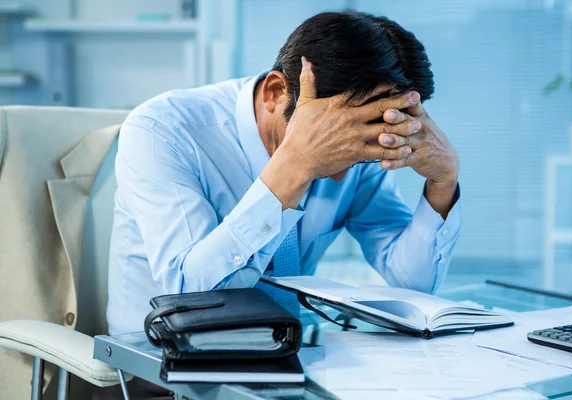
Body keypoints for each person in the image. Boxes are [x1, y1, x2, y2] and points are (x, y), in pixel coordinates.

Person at [107, 10, 462, 337]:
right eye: (342, 138)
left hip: (290, 353)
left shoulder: (361, 149)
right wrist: (295, 167)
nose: (345, 171)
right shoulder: (163, 130)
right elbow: (192, 300)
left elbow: (412, 286)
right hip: (160, 364)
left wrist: (442, 182)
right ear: (277, 93)